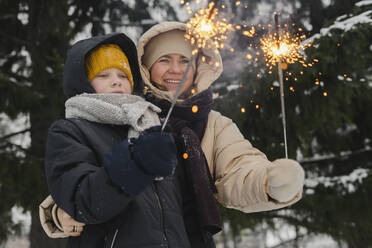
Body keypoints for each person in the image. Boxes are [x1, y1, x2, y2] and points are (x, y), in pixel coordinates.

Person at [40, 22, 305, 247]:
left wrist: (269, 181)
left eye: (184, 61)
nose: (176, 69)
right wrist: (58, 210)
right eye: (164, 60)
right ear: (144, 68)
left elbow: (238, 168)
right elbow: (79, 178)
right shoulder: (128, 114)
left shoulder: (212, 124)